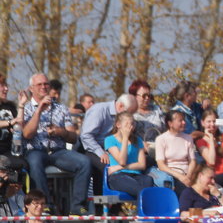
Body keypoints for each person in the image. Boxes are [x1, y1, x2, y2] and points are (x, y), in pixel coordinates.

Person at [21, 72, 91, 215]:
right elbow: (27, 134)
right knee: (34, 162)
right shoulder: (26, 109)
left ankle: (78, 206)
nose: (43, 87)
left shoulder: (61, 108)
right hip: (36, 150)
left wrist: (61, 131)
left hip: (58, 152)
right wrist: (39, 109)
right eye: (39, 84)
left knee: (85, 162)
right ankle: (45, 204)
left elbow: (73, 137)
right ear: (31, 88)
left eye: (46, 84)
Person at [103, 112, 157, 197]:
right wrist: (125, 138)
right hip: (119, 176)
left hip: (136, 175)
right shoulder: (110, 140)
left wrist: (119, 167)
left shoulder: (138, 140)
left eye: (132, 124)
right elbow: (122, 161)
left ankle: (144, 208)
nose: (130, 127)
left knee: (148, 180)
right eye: (127, 124)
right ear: (118, 125)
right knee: (142, 191)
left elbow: (142, 165)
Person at [154, 109, 198, 193]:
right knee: (185, 189)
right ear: (170, 123)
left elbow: (192, 160)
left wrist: (188, 175)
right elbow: (161, 165)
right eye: (180, 121)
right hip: (171, 174)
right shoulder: (161, 139)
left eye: (184, 120)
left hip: (188, 173)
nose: (184, 123)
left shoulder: (188, 138)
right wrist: (180, 176)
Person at [196, 109, 223, 191]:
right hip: (217, 174)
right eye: (209, 122)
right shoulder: (201, 142)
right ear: (202, 123)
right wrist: (211, 140)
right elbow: (211, 161)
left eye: (214, 121)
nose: (212, 124)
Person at [129, 79, 167, 146]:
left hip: (158, 149)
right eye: (144, 96)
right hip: (138, 150)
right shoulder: (129, 113)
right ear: (134, 96)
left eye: (149, 96)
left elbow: (166, 131)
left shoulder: (157, 110)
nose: (147, 98)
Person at [0, 74, 24, 173]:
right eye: (2, 85)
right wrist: (10, 122)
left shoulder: (10, 106)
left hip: (10, 150)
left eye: (6, 85)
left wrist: (21, 105)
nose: (6, 89)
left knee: (23, 164)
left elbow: (19, 123)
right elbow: (13, 122)